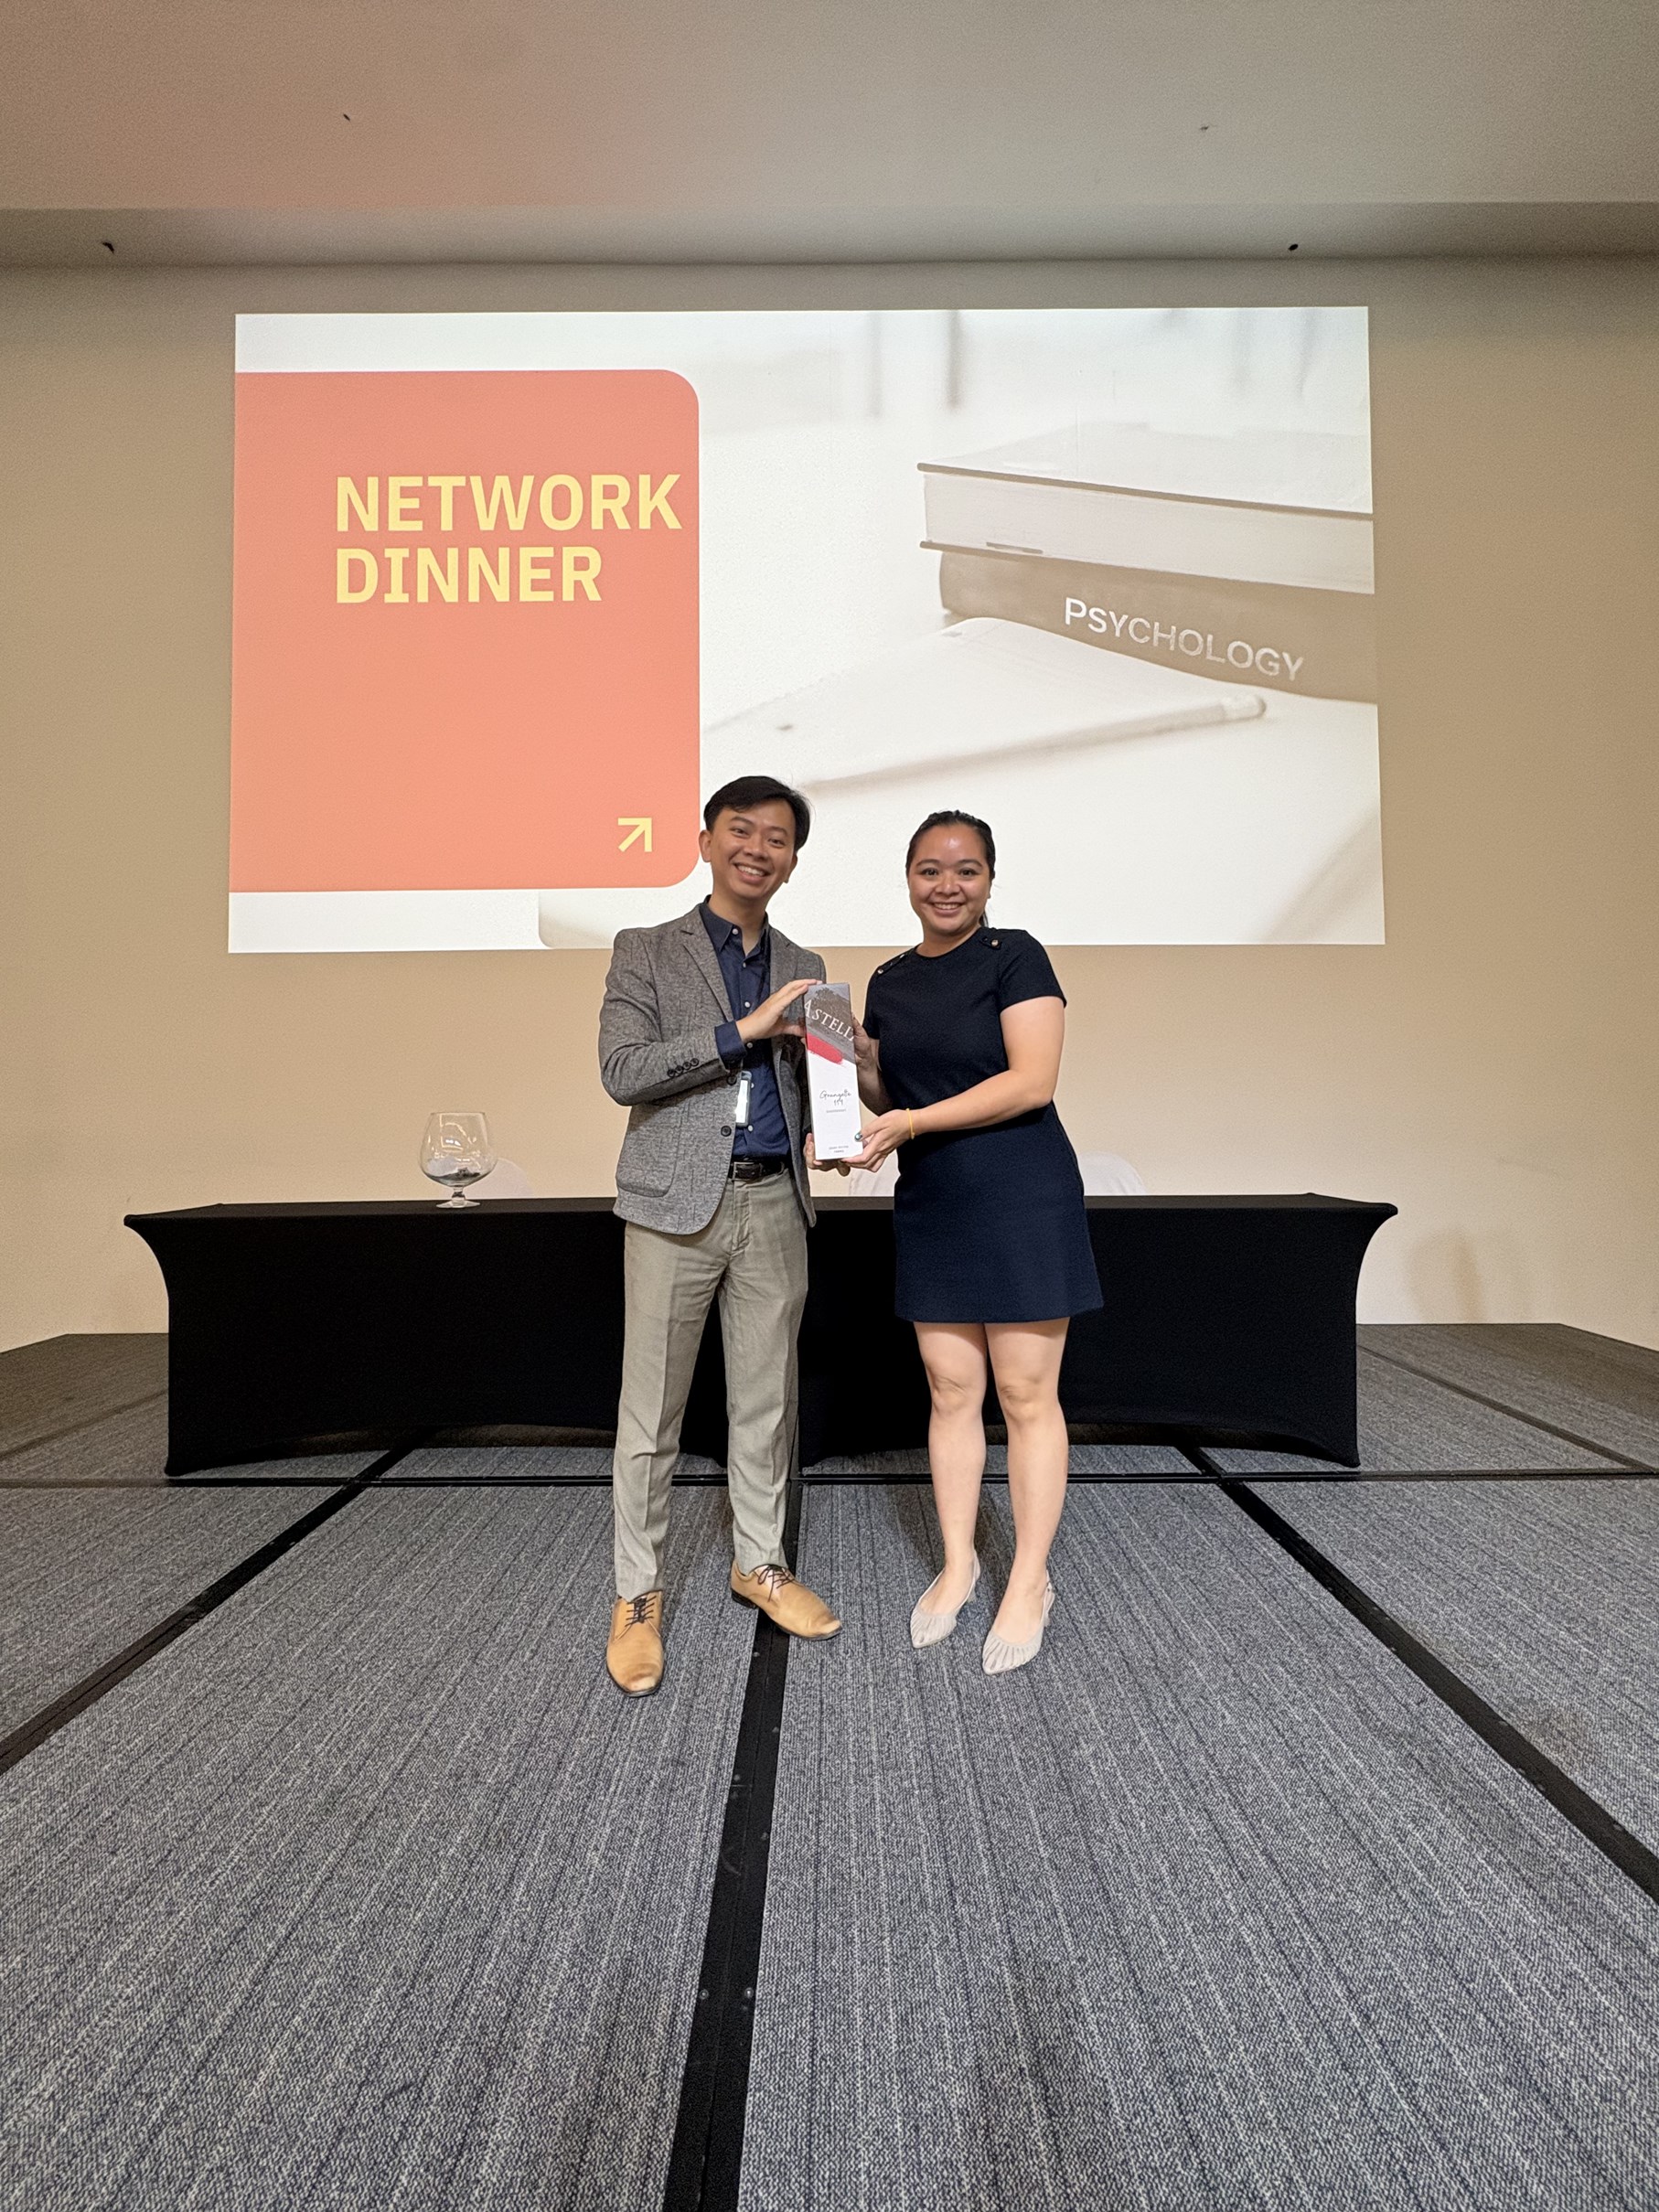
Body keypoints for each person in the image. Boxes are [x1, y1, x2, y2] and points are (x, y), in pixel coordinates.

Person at [597, 775, 842, 1696]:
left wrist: (828, 1119)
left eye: (777, 838)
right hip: (671, 1207)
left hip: (774, 1201)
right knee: (650, 1414)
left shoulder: (805, 963)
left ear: (791, 861)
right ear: (705, 842)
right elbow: (623, 1071)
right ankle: (637, 1593)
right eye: (741, 830)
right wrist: (745, 1029)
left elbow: (809, 1083)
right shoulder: (644, 950)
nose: (758, 848)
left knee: (766, 1403)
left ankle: (759, 1563)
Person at [849, 810, 1101, 1674]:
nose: (947, 885)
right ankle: (958, 1564)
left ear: (990, 879)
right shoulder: (887, 979)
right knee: (950, 1388)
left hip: (1022, 1192)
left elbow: (1032, 1081)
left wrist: (909, 1121)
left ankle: (1029, 1579)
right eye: (930, 869)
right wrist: (856, 1065)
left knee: (1026, 1393)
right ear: (907, 878)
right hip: (935, 1197)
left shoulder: (1015, 955)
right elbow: (890, 1092)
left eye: (966, 869)